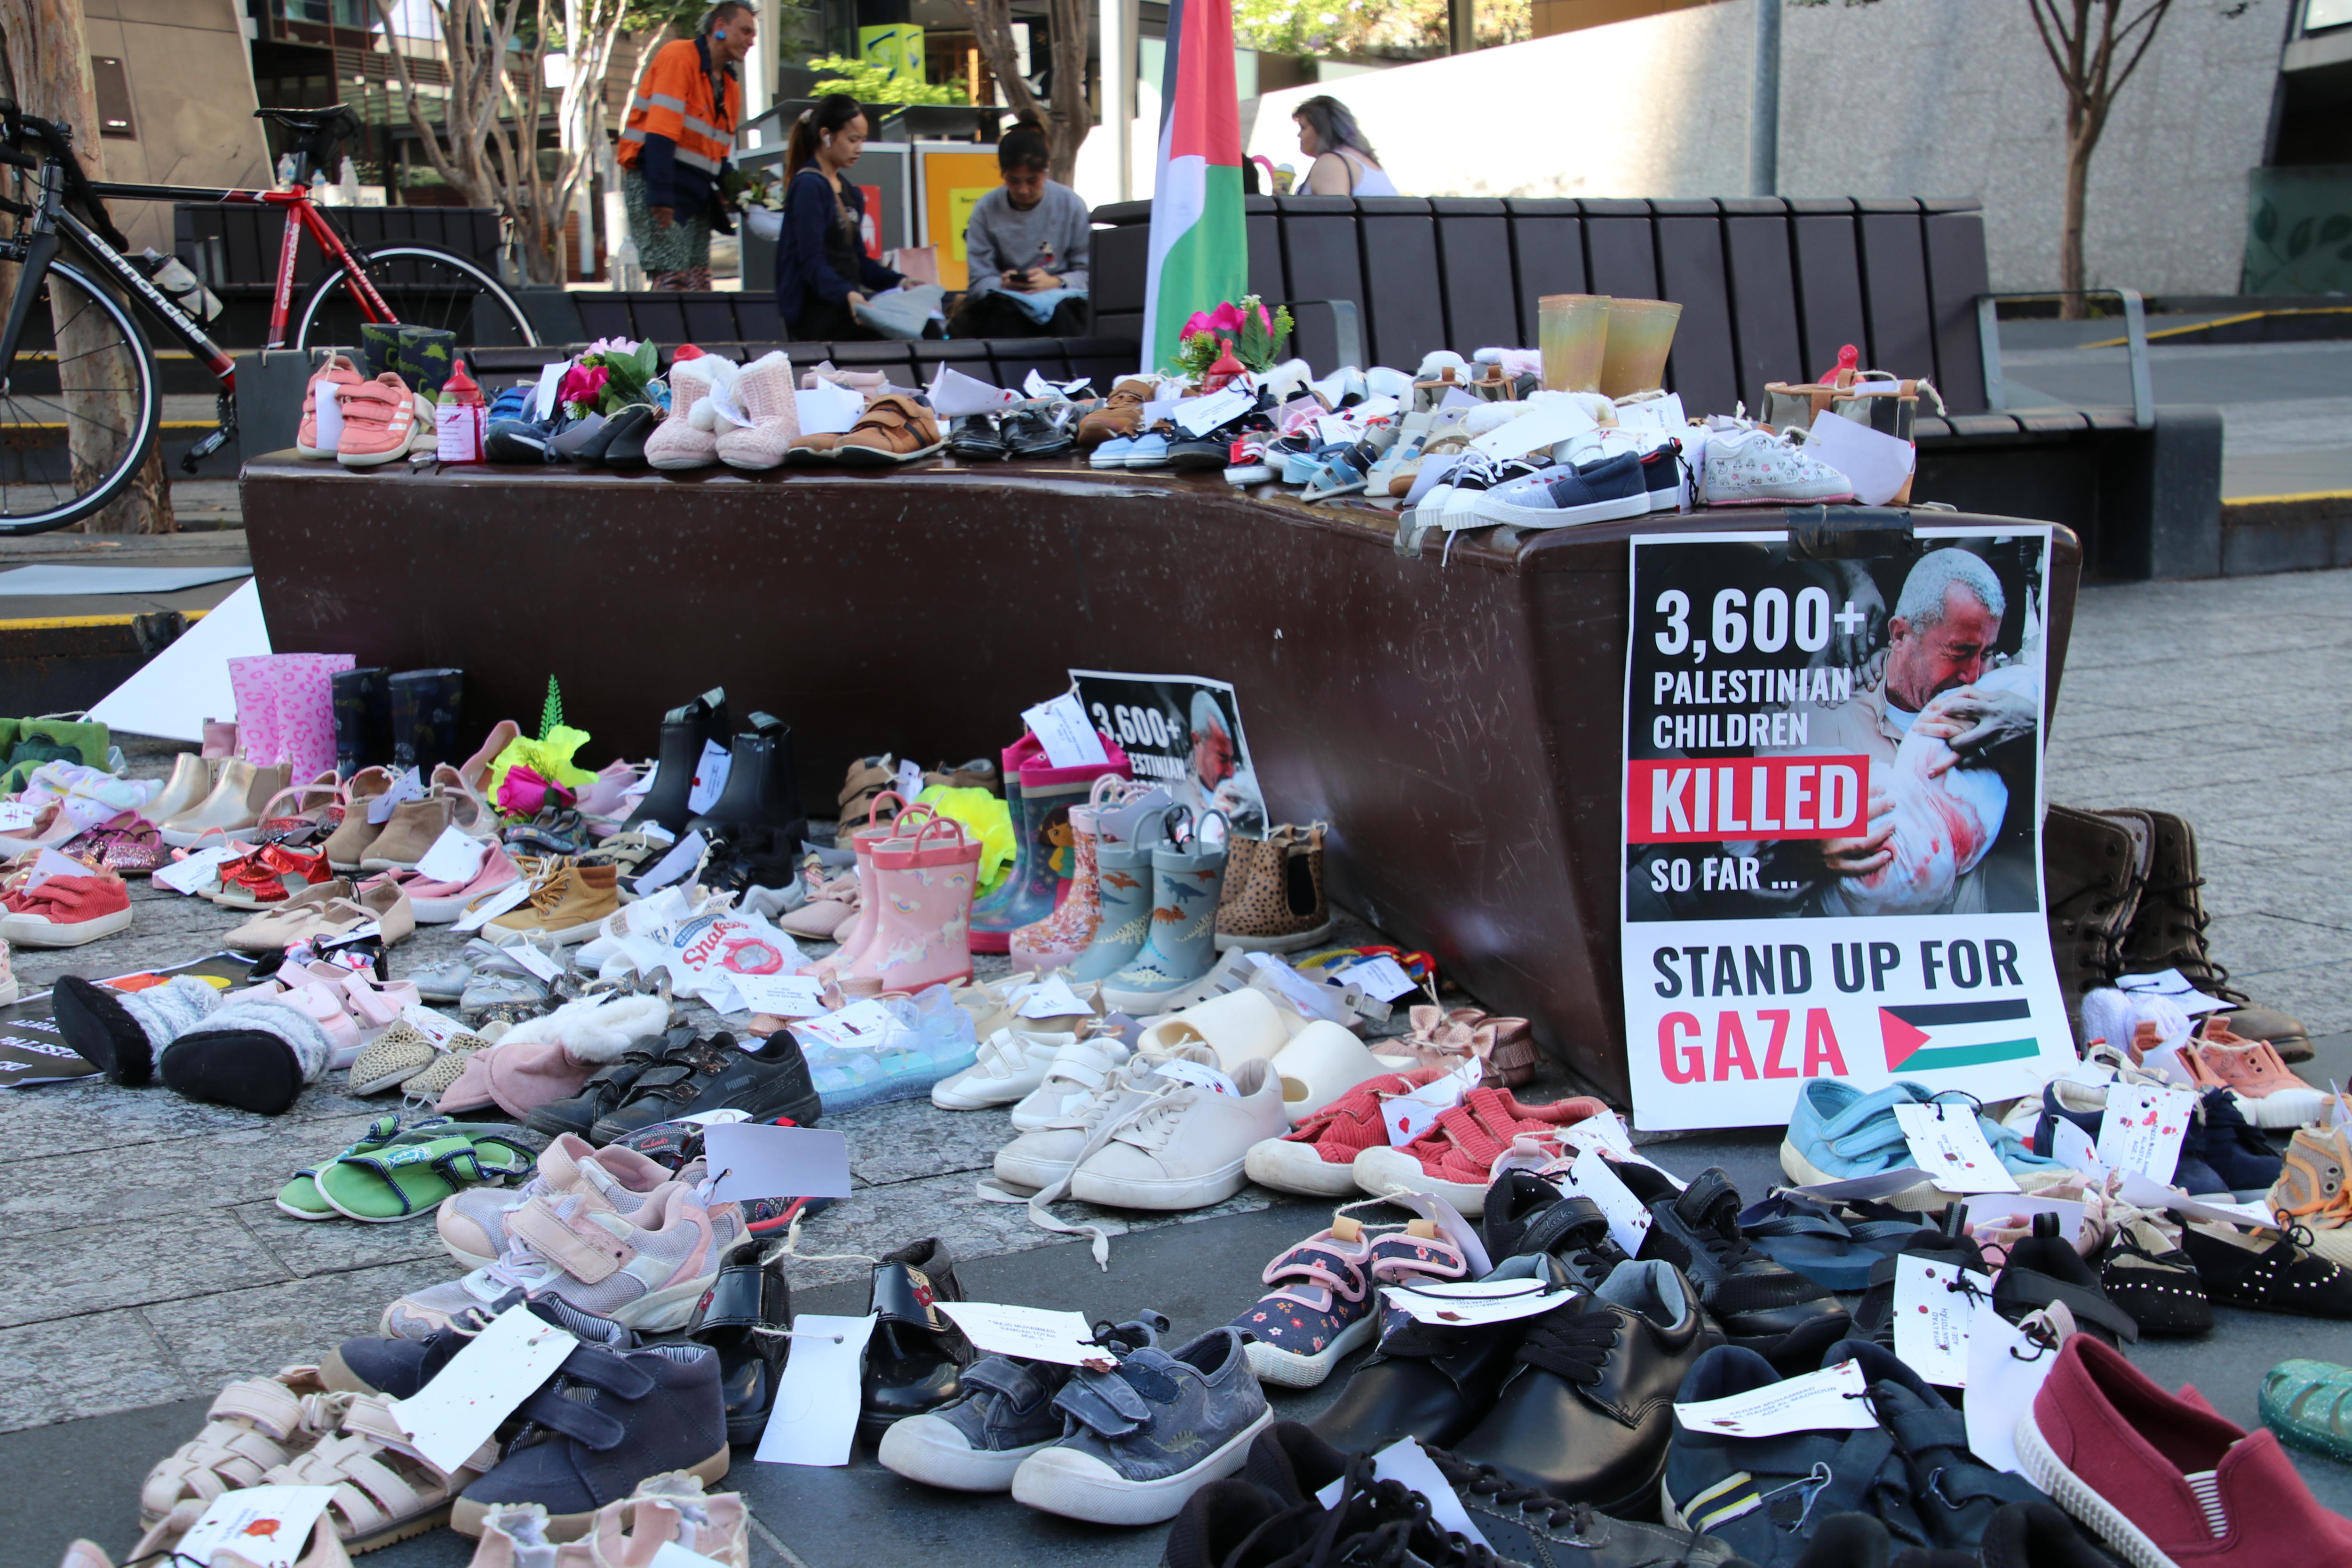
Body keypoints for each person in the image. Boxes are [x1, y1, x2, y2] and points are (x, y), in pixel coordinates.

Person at [1761, 547, 2042, 915]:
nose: (1974, 673)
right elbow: (1751, 866)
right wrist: (1798, 854)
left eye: (1986, 653)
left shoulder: (2003, 711)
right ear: (1899, 635)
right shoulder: (1819, 716)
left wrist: (2029, 732)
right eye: (1960, 652)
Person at [617, 2, 753, 291]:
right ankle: (653, 337)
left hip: (695, 195)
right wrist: (661, 198)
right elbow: (660, 135)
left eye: (753, 35)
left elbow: (718, 160)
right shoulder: (680, 57)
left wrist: (753, 200)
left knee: (699, 284)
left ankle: (689, 337)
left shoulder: (730, 87)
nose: (750, 41)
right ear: (719, 27)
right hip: (658, 183)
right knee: (672, 282)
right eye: (745, 31)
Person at [774, 93, 903, 341]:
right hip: (816, 313)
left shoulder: (849, 192)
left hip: (845, 307)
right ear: (826, 136)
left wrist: (901, 282)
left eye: (863, 141)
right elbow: (811, 262)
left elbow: (857, 260)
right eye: (853, 139)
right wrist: (847, 294)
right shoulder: (809, 186)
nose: (859, 149)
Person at [946, 123, 1091, 339]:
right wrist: (1003, 284)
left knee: (1064, 318)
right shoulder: (986, 209)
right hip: (1004, 305)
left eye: (1033, 181)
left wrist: (1055, 282)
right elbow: (978, 282)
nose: (1024, 190)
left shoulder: (1071, 204)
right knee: (1004, 317)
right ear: (1003, 175)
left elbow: (1090, 274)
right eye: (1014, 181)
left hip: (1062, 304)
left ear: (1046, 171)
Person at [1293, 96, 1396, 197]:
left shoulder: (1331, 163)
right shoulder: (1366, 162)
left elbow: (1333, 212)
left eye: (1303, 128)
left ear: (1322, 129)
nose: (1299, 135)